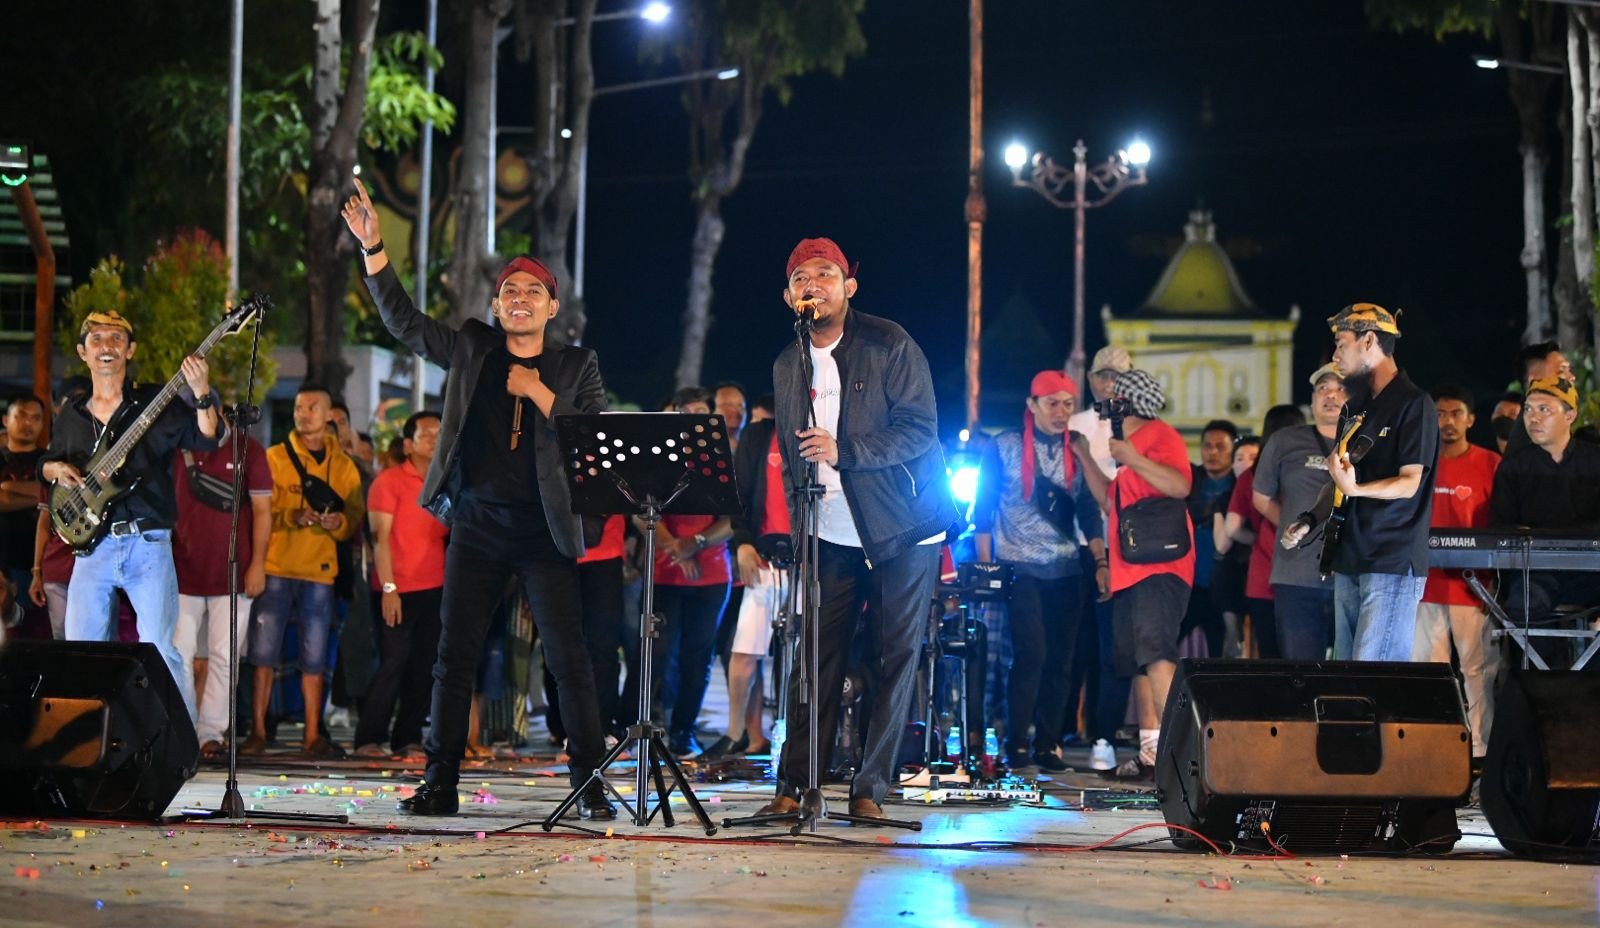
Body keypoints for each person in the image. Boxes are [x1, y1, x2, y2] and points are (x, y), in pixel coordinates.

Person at [342, 177, 616, 820]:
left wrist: (538, 392)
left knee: (569, 660)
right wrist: (374, 248)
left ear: (553, 307)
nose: (520, 299)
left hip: (546, 530)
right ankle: (439, 783)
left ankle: (588, 783)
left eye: (533, 292)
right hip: (477, 525)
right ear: (496, 308)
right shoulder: (472, 346)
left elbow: (592, 438)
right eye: (509, 292)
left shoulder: (576, 366)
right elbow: (404, 323)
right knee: (453, 658)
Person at [756, 237, 957, 821]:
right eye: (800, 278)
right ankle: (795, 784)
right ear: (788, 297)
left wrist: (846, 451)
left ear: (849, 286)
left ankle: (870, 789)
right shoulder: (787, 363)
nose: (812, 285)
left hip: (903, 525)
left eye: (825, 274)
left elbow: (919, 428)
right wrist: (800, 531)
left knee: (896, 657)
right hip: (830, 529)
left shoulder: (889, 342)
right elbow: (791, 458)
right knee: (814, 659)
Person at [39, 310, 224, 716]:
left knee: (160, 648)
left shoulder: (155, 403)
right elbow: (46, 463)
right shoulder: (72, 414)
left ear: (130, 350)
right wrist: (56, 469)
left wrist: (201, 392)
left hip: (147, 542)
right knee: (83, 649)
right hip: (91, 547)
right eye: (97, 339)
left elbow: (208, 438)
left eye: (116, 338)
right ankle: (88, 737)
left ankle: (179, 743)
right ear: (83, 353)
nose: (106, 346)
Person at [1283, 303, 1438, 663]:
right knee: (1347, 669)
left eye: (1341, 344)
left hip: (1391, 558)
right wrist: (1309, 519)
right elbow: (1340, 480)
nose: (1336, 355)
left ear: (1369, 341)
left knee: (1373, 672)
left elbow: (1409, 483)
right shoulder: (1354, 407)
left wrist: (1357, 490)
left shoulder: (1414, 403)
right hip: (1349, 555)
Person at [973, 369, 1105, 772]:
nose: (1062, 412)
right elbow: (984, 507)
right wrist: (987, 565)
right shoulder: (1004, 445)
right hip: (1019, 564)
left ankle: (1049, 745)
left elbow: (1088, 510)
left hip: (1067, 567)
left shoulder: (1076, 448)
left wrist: (1101, 561)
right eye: (1053, 404)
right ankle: (1016, 742)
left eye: (1068, 404)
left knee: (1061, 661)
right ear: (1032, 405)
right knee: (1032, 654)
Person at [1072, 369, 1193, 779]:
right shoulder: (1125, 445)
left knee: (1156, 653)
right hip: (1129, 567)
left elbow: (1180, 485)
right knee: (1137, 662)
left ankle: (1179, 756)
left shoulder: (1160, 435)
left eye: (1115, 397)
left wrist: (1132, 457)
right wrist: (1085, 455)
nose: (1108, 405)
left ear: (1129, 403)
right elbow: (1111, 502)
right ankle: (1151, 754)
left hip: (1160, 565)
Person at [243, 383, 365, 756]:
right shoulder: (275, 457)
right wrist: (290, 516)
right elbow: (257, 510)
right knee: (263, 654)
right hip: (276, 566)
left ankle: (312, 735)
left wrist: (339, 524)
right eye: (299, 407)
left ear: (329, 416)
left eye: (312, 407)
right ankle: (258, 731)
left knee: (314, 657)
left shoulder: (343, 465)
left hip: (319, 572)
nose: (304, 414)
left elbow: (354, 516)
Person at [171, 423, 272, 757]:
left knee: (224, 656)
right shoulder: (174, 445)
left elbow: (263, 510)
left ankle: (210, 734)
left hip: (233, 571)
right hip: (181, 570)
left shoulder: (248, 449)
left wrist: (258, 564)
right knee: (179, 654)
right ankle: (183, 730)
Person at [353, 411, 449, 758]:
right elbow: (380, 539)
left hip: (434, 587)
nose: (436, 440)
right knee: (392, 663)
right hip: (397, 588)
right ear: (408, 445)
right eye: (427, 435)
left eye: (440, 433)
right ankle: (368, 738)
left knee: (424, 666)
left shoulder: (444, 483)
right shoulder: (389, 481)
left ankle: (408, 737)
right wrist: (389, 588)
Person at [1415, 384, 1499, 764]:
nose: (1447, 422)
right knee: (1428, 673)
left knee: (1477, 670)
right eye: (1439, 414)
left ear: (1471, 419)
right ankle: (1433, 750)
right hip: (1424, 584)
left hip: (1473, 586)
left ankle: (1481, 751)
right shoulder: (1418, 463)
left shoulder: (1490, 464)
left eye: (1456, 413)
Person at [1066, 345, 1133, 773]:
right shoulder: (1075, 424)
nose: (1110, 384)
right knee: (1077, 645)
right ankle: (1063, 730)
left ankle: (1104, 733)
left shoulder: (1138, 427)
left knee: (1114, 648)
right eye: (1103, 376)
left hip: (1126, 547)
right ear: (1092, 380)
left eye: (1118, 377)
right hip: (1078, 545)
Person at [1489, 373, 1600, 629]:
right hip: (1537, 572)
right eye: (1528, 410)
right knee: (1523, 604)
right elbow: (1500, 528)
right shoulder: (1514, 467)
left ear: (1570, 415)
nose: (1533, 418)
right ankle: (1537, 658)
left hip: (1593, 569)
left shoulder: (1594, 460)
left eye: (1544, 410)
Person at [1253, 364, 1345, 660]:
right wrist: (1297, 526)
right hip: (1295, 575)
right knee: (1300, 668)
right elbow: (1261, 497)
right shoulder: (1285, 441)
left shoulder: (1368, 443)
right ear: (1313, 400)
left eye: (1341, 389)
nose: (1331, 395)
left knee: (1353, 669)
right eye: (1323, 389)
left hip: (1351, 575)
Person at [1181, 418, 1237, 657]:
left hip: (1225, 586)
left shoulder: (1240, 485)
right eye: (1207, 446)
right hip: (1187, 583)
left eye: (1220, 447)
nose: (1213, 452)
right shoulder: (1188, 481)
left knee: (1222, 653)